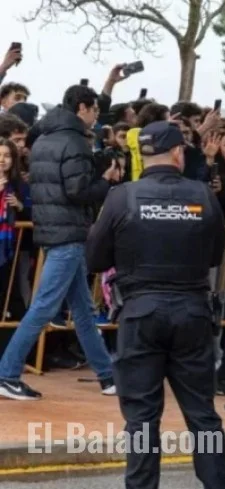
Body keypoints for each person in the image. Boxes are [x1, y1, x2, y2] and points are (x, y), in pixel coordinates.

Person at [85, 121, 225, 488]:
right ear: (178, 153)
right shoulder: (202, 194)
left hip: (140, 313)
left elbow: (95, 258)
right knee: (202, 414)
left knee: (141, 419)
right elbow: (215, 254)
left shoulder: (122, 196)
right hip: (192, 311)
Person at [0, 85, 120, 400]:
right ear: (82, 108)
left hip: (54, 232)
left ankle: (107, 376)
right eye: (95, 110)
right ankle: (7, 374)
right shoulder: (75, 141)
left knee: (83, 310)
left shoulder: (43, 139)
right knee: (44, 307)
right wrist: (105, 181)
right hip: (67, 234)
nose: (96, 116)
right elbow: (78, 191)